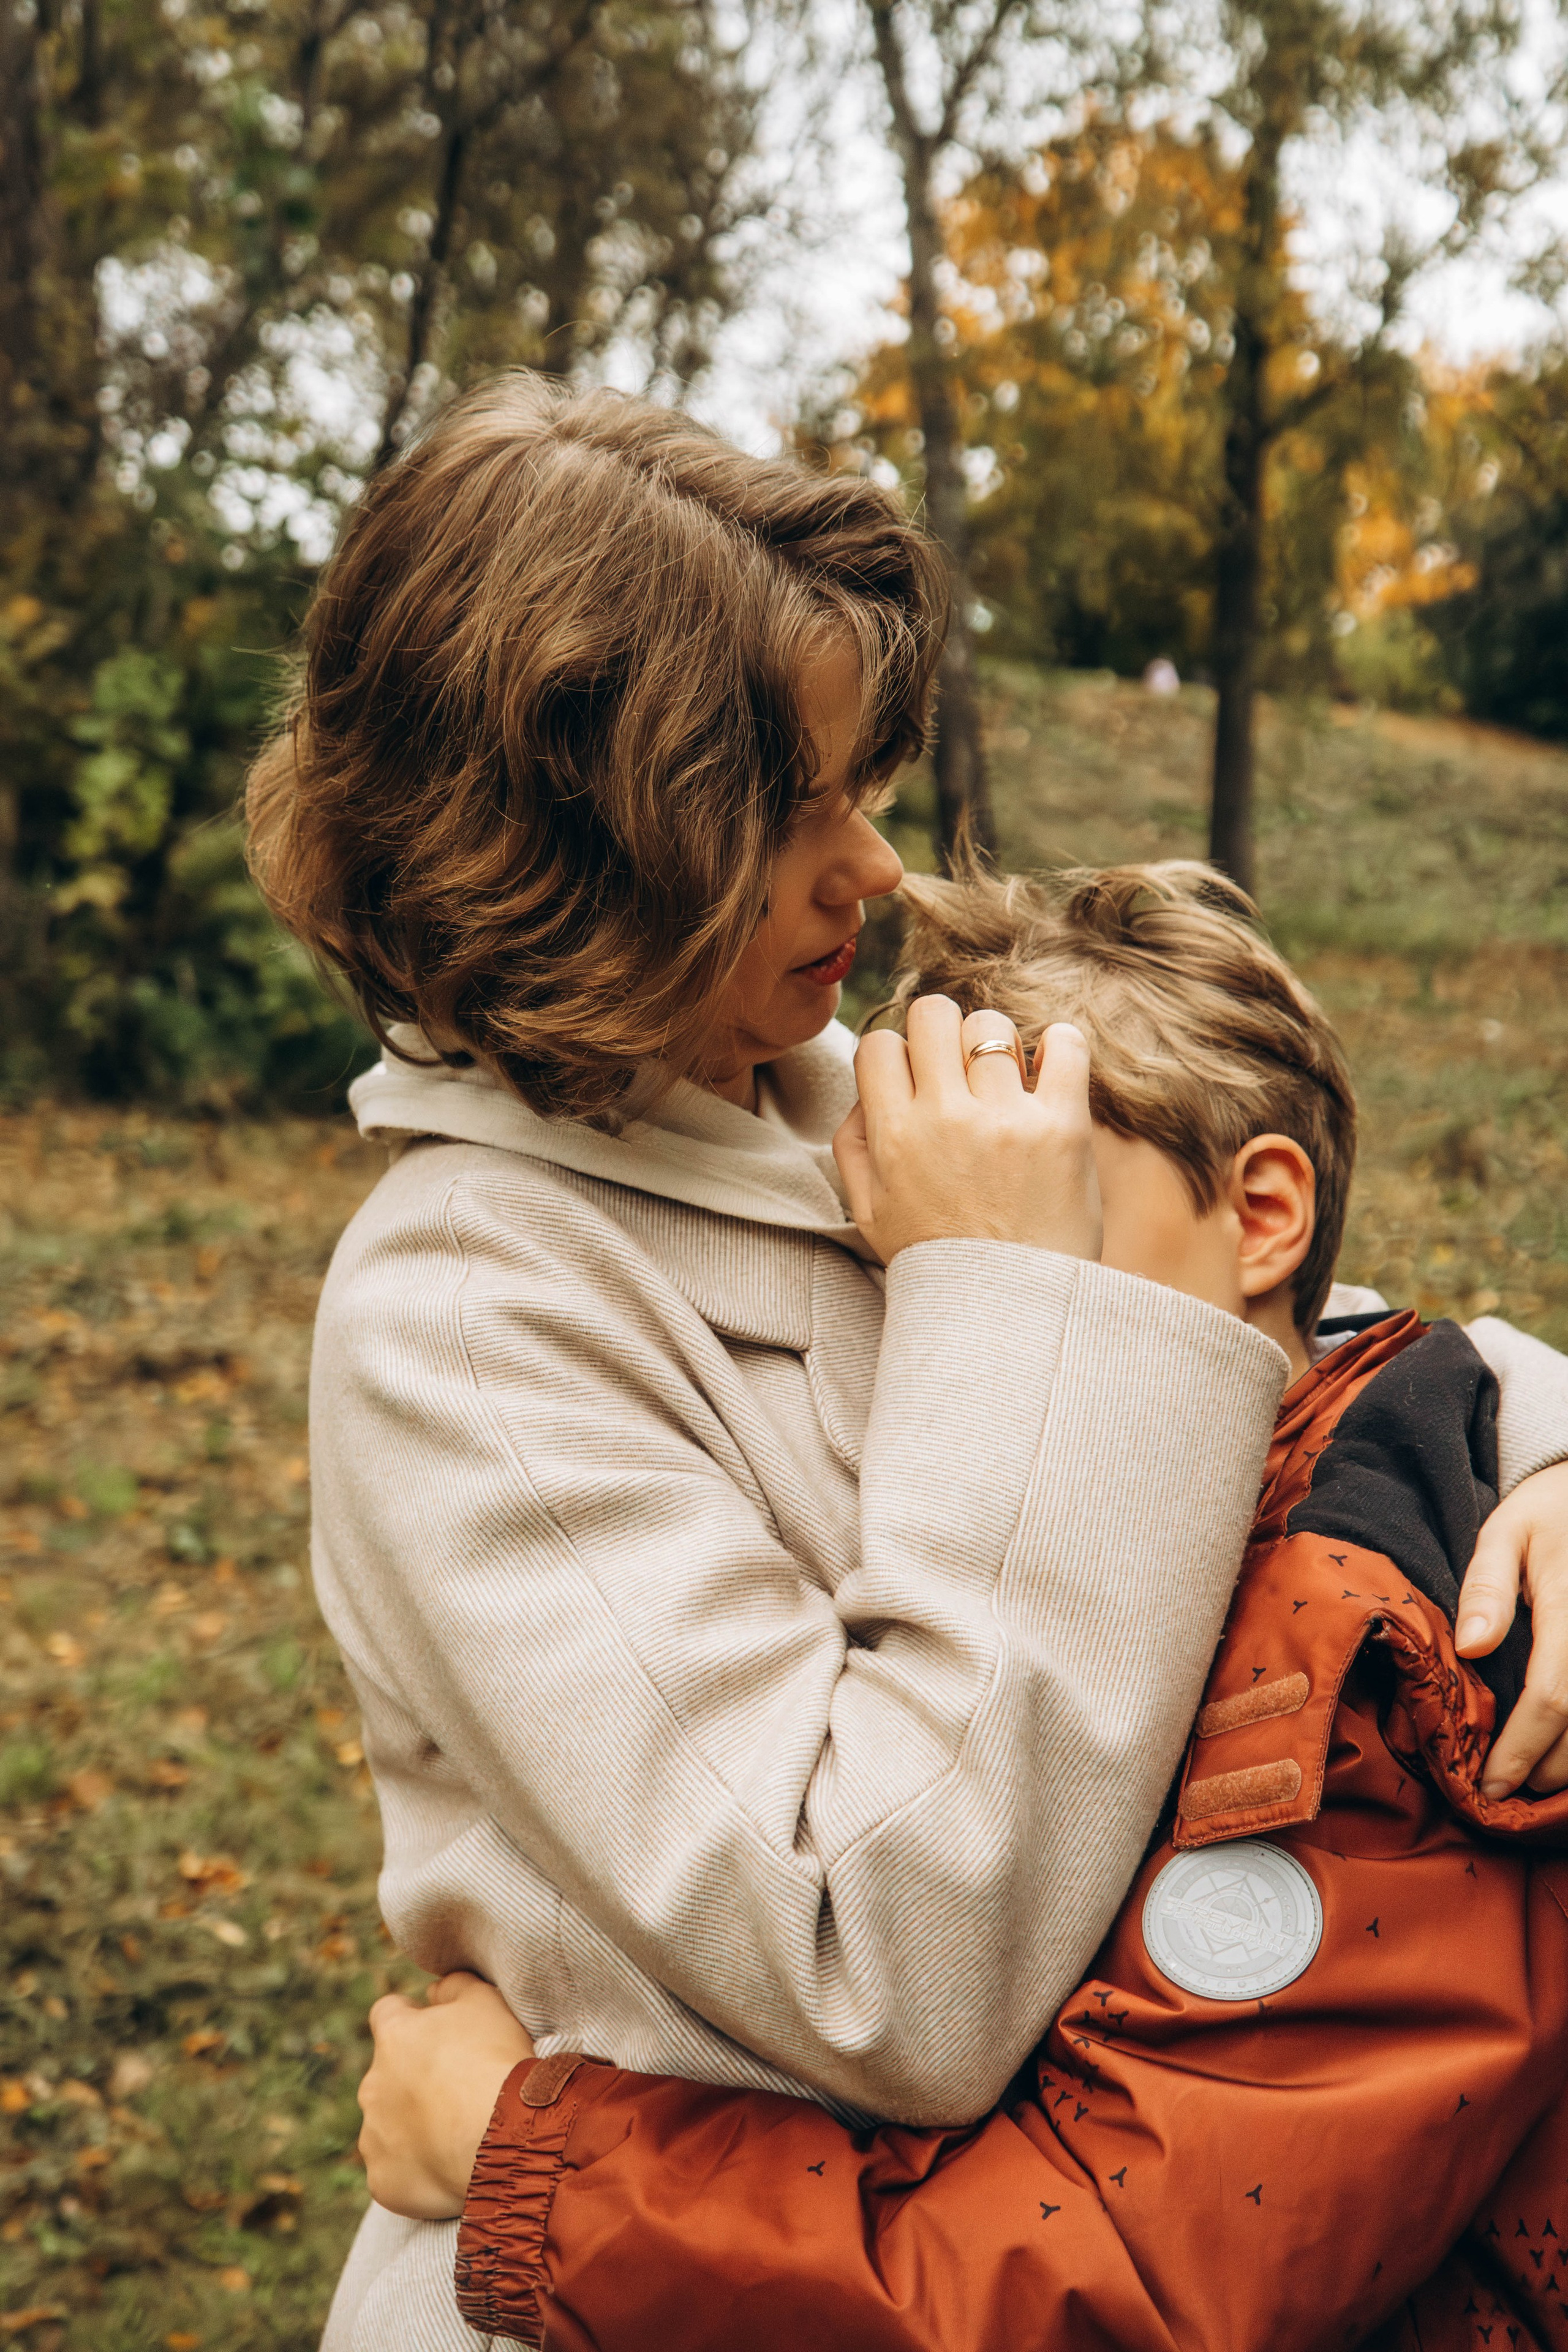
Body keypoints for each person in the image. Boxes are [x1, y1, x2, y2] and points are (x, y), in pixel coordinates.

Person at [246, 375, 1568, 2351]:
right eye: (789, 811)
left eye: (855, 784)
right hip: (672, 2287)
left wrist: (1536, 1454)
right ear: (588, 855)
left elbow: (1293, 1323)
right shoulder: (464, 1323)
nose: (866, 869)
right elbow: (889, 1958)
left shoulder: (822, 1098)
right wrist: (1018, 1308)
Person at [355, 864, 1568, 2352]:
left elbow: (1126, 2270)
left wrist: (533, 2175)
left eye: (1029, 1238)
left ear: (1259, 1213)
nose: (967, 1342)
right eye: (918, 1270)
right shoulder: (1271, 1514)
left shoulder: (1372, 1670)